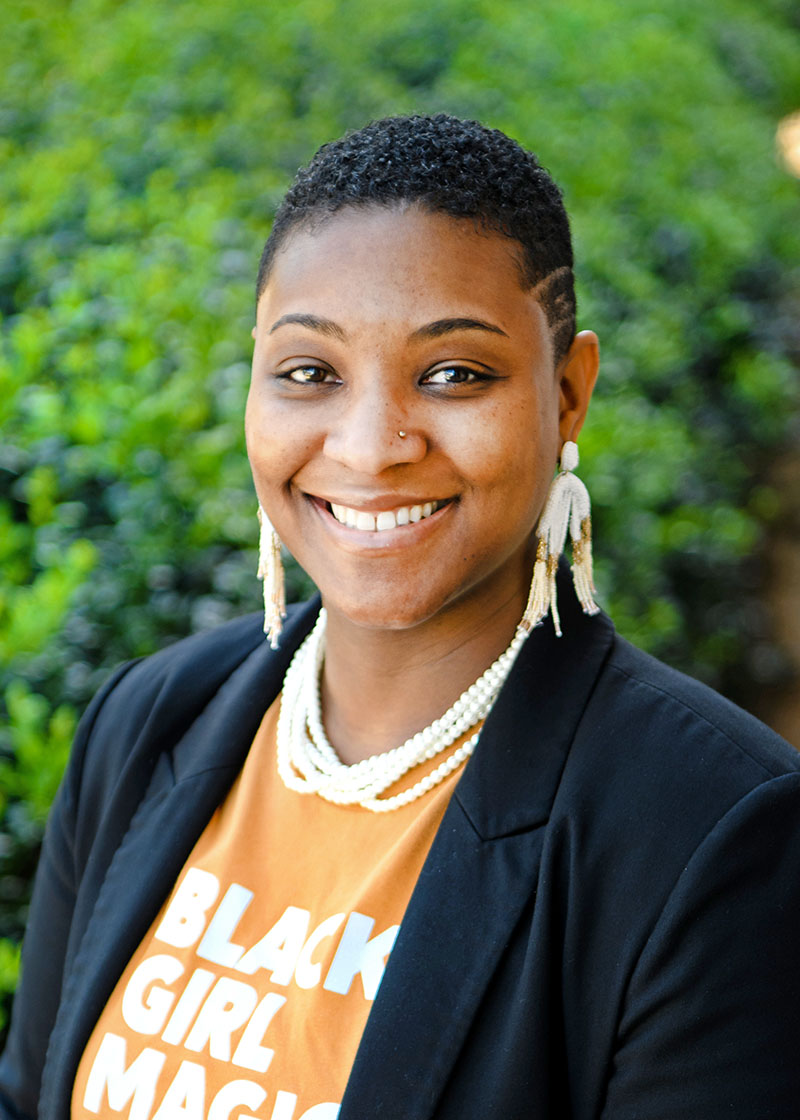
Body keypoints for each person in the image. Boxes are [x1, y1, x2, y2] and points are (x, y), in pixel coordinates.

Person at [2, 113, 800, 1120]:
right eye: (309, 372)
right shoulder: (145, 723)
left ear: (568, 391)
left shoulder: (713, 834)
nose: (371, 444)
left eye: (454, 373)